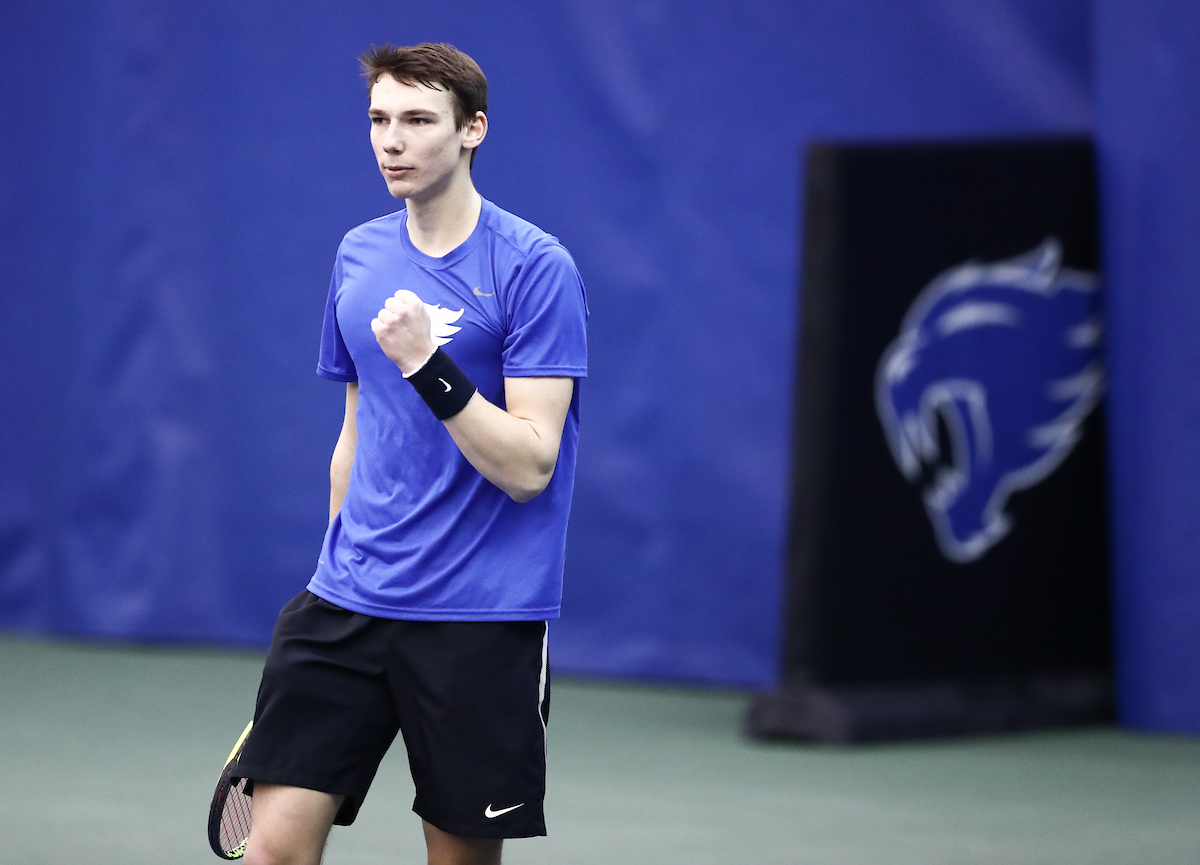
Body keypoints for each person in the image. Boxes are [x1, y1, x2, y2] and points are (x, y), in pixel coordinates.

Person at [233, 42, 588, 865]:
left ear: (473, 130)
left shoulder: (536, 268)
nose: (392, 140)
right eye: (379, 120)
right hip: (347, 602)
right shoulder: (358, 254)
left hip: (478, 620)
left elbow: (531, 465)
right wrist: (333, 564)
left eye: (418, 120)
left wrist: (430, 364)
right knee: (273, 853)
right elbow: (357, 431)